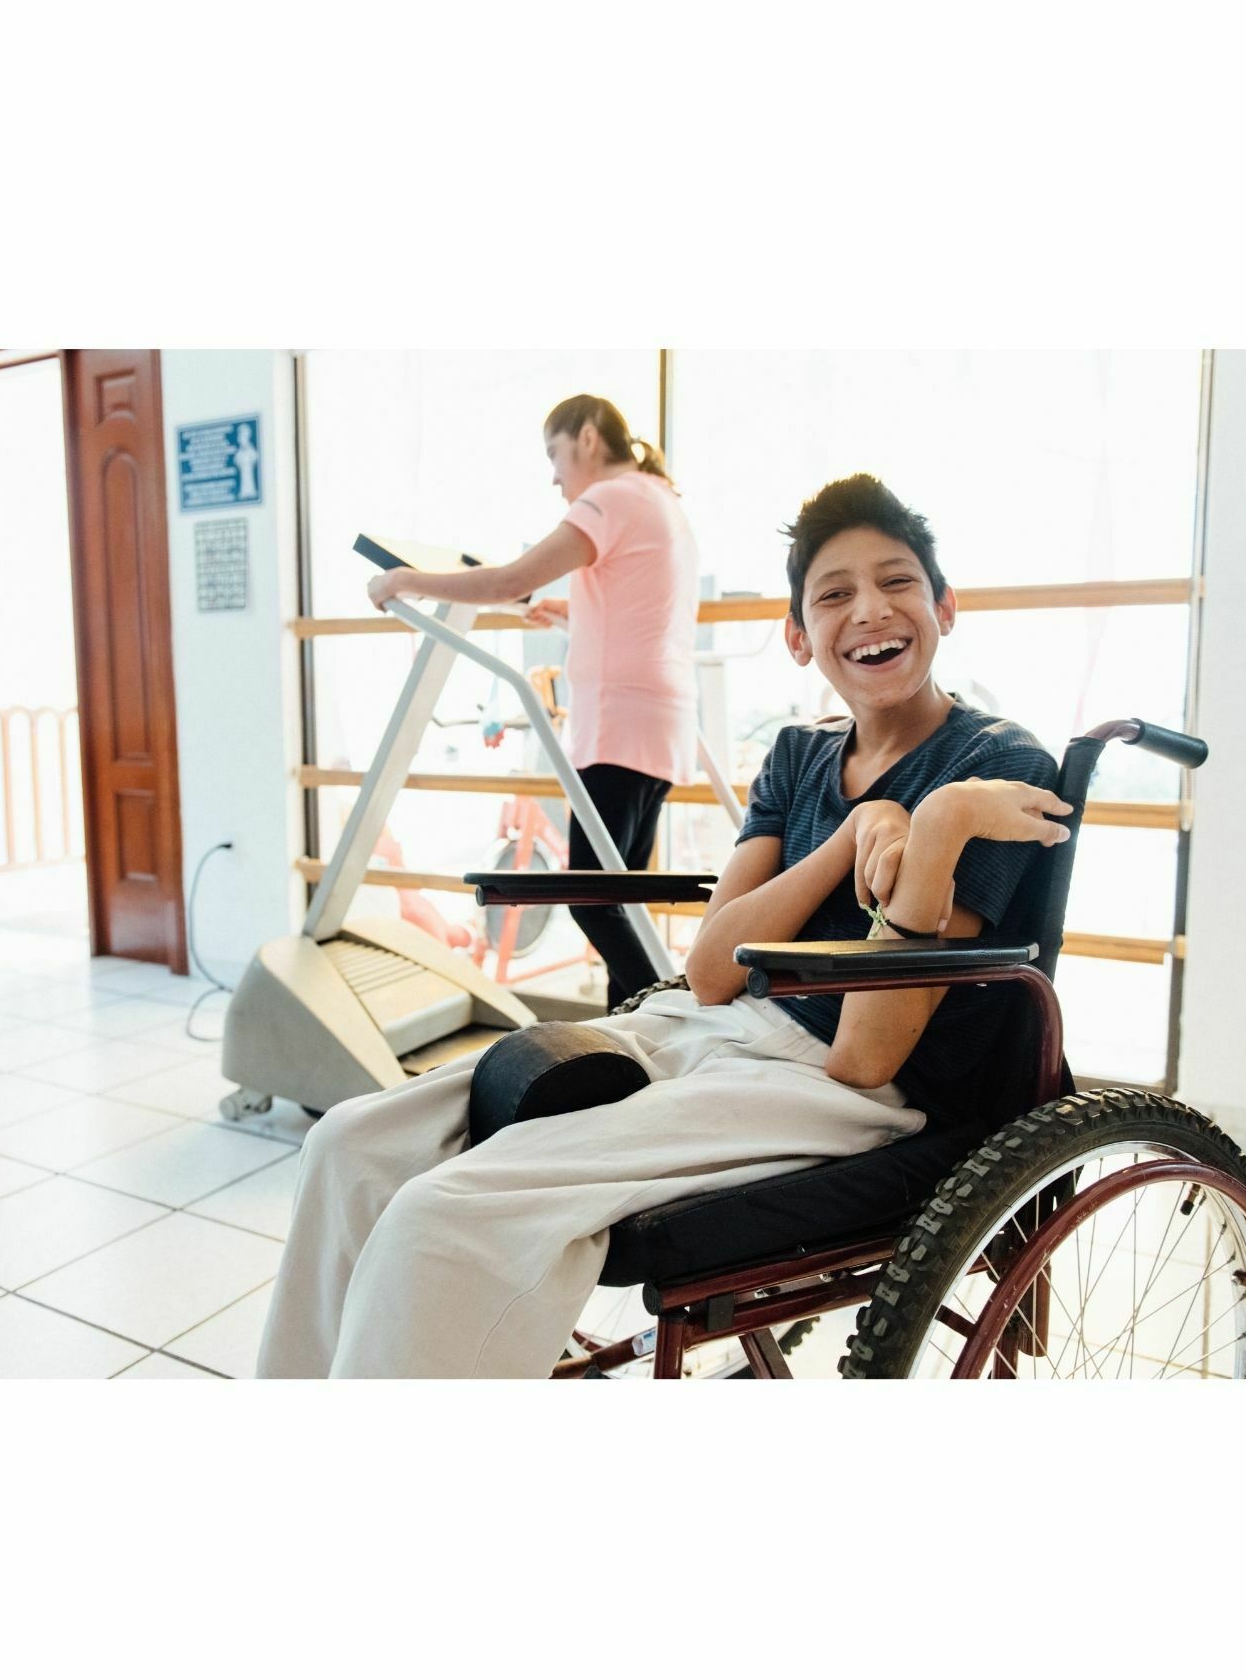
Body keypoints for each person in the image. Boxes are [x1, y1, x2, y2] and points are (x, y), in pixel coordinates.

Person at [258, 474, 1071, 1379]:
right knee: (348, 1145)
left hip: (842, 1093)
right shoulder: (801, 755)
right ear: (799, 638)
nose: (869, 610)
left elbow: (866, 1058)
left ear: (944, 606)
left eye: (896, 582)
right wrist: (851, 835)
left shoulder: (993, 767)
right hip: (709, 1024)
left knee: (440, 1218)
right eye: (833, 594)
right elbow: (714, 970)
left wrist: (938, 827)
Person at [363, 393, 699, 1010]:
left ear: (589, 437)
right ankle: (636, 1038)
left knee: (588, 898)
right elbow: (644, 607)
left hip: (619, 730)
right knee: (620, 903)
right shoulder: (659, 499)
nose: (553, 474)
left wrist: (404, 580)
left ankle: (670, 1008)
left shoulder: (613, 497)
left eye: (555, 452)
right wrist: (575, 614)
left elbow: (510, 580)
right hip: (660, 726)